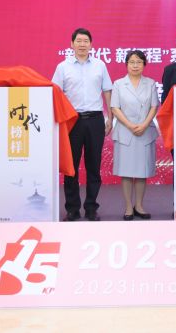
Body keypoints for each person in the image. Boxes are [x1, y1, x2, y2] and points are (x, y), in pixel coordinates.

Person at [52, 28, 113, 222]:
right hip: (72, 120)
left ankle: (91, 207)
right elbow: (56, 94)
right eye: (78, 41)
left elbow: (107, 91)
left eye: (86, 41)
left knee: (93, 166)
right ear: (72, 44)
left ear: (91, 44)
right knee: (71, 167)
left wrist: (110, 117)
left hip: (95, 119)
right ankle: (72, 208)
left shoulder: (100, 65)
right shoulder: (62, 67)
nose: (82, 44)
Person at [110, 50, 160, 221]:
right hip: (125, 131)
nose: (135, 65)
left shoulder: (150, 83)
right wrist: (130, 125)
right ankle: (128, 207)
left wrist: (144, 124)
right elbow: (115, 108)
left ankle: (139, 205)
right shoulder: (118, 84)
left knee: (141, 171)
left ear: (144, 65)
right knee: (126, 171)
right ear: (126, 64)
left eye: (139, 62)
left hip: (145, 131)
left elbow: (154, 106)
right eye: (132, 62)